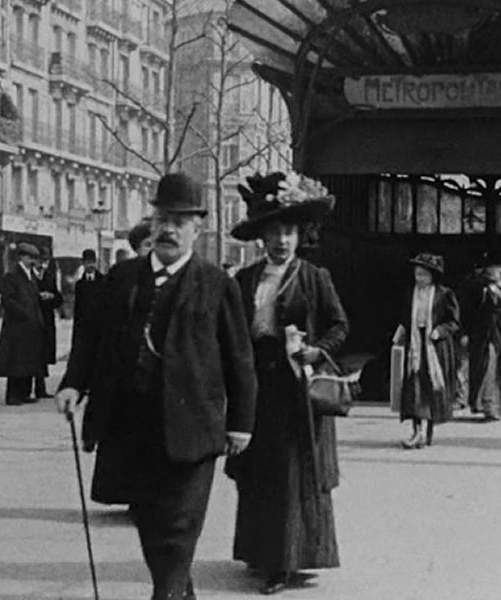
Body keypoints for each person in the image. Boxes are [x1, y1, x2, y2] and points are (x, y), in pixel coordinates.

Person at [56, 172, 257, 600]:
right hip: (132, 423)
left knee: (178, 526)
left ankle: (164, 595)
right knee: (148, 521)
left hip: (193, 426)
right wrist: (74, 385)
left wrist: (241, 423)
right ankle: (178, 593)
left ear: (198, 228)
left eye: (180, 221)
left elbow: (239, 357)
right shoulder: (123, 278)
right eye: (162, 218)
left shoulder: (217, 285)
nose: (168, 228)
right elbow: (91, 339)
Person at [225, 171, 349, 595]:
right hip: (257, 387)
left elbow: (339, 325)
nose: (282, 241)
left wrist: (316, 351)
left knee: (292, 474)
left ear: (301, 236)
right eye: (275, 232)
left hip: (297, 391)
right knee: (259, 473)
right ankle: (261, 552)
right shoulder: (244, 280)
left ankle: (289, 561)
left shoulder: (315, 278)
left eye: (290, 232)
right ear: (262, 237)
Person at [392, 253, 460, 448]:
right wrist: (399, 334)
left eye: (423, 275)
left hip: (435, 347)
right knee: (414, 389)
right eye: (417, 274)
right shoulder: (410, 293)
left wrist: (440, 331)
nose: (419, 278)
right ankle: (416, 431)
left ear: (432, 276)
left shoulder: (444, 294)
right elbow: (405, 318)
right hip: (415, 344)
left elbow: (454, 322)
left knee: (430, 388)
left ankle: (426, 431)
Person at [466, 252, 501, 420]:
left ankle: (499, 405)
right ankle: (487, 405)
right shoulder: (479, 287)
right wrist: (466, 332)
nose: (496, 271)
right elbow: (470, 312)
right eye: (492, 268)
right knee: (487, 368)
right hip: (484, 333)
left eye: (498, 268)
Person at [0, 243, 47, 406]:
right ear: (22, 257)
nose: (33, 261)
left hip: (30, 326)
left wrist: (40, 297)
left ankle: (24, 392)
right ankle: (12, 395)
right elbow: (8, 300)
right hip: (17, 326)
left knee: (28, 360)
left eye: (34, 258)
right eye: (30, 258)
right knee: (15, 361)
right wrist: (24, 313)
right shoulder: (12, 275)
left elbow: (31, 296)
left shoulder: (31, 276)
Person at [33, 256, 63, 399]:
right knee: (31, 354)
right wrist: (39, 296)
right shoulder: (30, 276)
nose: (42, 264)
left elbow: (59, 299)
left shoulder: (49, 277)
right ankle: (25, 388)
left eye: (45, 261)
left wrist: (51, 297)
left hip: (47, 320)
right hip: (33, 319)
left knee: (43, 354)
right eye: (40, 261)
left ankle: (41, 387)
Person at [72, 248, 104, 341]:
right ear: (83, 263)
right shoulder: (80, 284)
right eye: (88, 262)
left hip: (99, 329)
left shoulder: (104, 281)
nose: (91, 265)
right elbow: (78, 310)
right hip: (84, 330)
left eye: (93, 262)